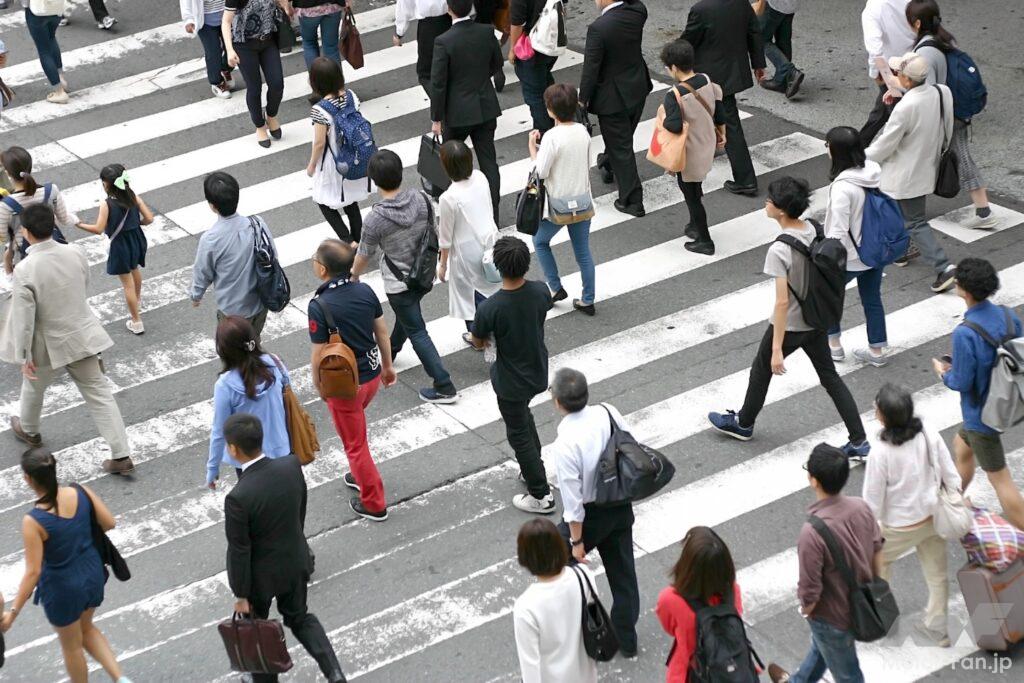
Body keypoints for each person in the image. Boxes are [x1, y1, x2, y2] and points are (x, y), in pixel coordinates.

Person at [708, 178, 870, 459]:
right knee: (830, 377)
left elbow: (782, 302)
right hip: (819, 317)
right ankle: (859, 440)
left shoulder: (780, 249)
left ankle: (744, 423)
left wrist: (776, 350)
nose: (766, 203)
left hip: (794, 323)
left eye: (770, 201)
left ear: (781, 211)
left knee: (761, 369)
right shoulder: (813, 228)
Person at [0, 204, 135, 475]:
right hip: (81, 334)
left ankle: (30, 431)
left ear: (26, 233)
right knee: (99, 394)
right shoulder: (76, 251)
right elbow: (82, 284)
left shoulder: (25, 269)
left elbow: (24, 317)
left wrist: (24, 354)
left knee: (34, 387)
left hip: (46, 341)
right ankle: (121, 454)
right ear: (52, 226)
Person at [222, 414, 347, 683]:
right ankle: (334, 672)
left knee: (257, 630)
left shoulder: (237, 498)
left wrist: (241, 593)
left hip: (260, 579)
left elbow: (239, 551)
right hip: (294, 561)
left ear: (233, 449)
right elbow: (299, 511)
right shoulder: (290, 466)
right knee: (300, 617)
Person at [0, 449, 133, 683]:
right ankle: (121, 679)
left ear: (28, 479)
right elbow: (109, 522)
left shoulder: (34, 521)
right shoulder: (80, 492)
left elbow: (33, 572)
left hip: (63, 589)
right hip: (92, 575)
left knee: (72, 647)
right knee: (87, 628)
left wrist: (12, 613)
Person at [767, 443, 882, 683]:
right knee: (820, 652)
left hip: (831, 616)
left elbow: (810, 589)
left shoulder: (812, 532)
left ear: (814, 481)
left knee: (848, 675)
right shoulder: (861, 507)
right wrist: (874, 586)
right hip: (860, 601)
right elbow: (876, 550)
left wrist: (806, 610)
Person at [351, 150, 458, 404]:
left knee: (418, 330)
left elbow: (364, 254)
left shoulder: (376, 218)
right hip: (423, 275)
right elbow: (432, 230)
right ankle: (393, 350)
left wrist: (353, 275)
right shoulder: (421, 198)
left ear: (374, 180)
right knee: (408, 316)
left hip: (399, 283)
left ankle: (444, 385)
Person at [549, 368, 640, 657]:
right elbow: (629, 445)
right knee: (624, 575)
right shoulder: (607, 411)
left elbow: (573, 503)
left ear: (558, 402)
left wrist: (577, 543)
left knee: (553, 563)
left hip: (590, 517)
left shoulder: (565, 444)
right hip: (619, 504)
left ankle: (576, 627)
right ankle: (627, 640)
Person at [862, 383, 961, 647]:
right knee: (937, 575)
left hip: (897, 527)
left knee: (879, 568)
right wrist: (956, 496)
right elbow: (949, 471)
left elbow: (872, 500)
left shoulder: (881, 452)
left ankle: (886, 622)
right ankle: (937, 629)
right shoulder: (928, 433)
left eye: (876, 407)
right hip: (932, 516)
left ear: (883, 416)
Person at [310, 239, 398, 521]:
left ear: (323, 269)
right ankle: (358, 472)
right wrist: (388, 366)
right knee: (356, 432)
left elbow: (318, 354)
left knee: (356, 445)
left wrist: (318, 385)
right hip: (371, 377)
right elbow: (382, 333)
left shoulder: (320, 305)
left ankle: (374, 503)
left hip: (343, 385)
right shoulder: (364, 290)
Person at [934, 257, 1024, 530]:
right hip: (1007, 399)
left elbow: (961, 381)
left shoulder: (965, 333)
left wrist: (943, 372)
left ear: (964, 290)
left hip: (981, 414)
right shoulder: (1009, 315)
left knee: (1001, 480)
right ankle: (953, 503)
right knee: (961, 447)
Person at [470, 236, 554, 513]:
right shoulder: (541, 291)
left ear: (497, 266)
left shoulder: (490, 308)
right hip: (537, 368)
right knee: (525, 420)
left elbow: (478, 340)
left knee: (518, 432)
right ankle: (533, 468)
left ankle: (540, 494)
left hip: (510, 379)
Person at [865, 52, 957, 293]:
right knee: (899, 212)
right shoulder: (941, 91)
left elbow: (886, 143)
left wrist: (860, 157)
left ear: (905, 79)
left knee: (914, 221)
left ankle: (943, 267)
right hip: (927, 163)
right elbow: (946, 125)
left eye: (898, 73)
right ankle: (902, 251)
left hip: (904, 171)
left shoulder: (906, 107)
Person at [905, 0, 998, 230]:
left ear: (916, 23)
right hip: (955, 112)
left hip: (946, 117)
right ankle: (983, 210)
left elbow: (926, 93)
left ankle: (983, 212)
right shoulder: (941, 39)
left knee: (922, 160)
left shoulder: (925, 51)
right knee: (961, 158)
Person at [430, 0, 503, 223]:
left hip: (458, 112)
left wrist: (436, 117)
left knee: (448, 160)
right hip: (485, 106)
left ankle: (448, 208)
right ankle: (494, 214)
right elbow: (496, 63)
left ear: (449, 9)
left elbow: (438, 84)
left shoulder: (443, 41)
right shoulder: (486, 31)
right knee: (489, 161)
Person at [682, 0, 765, 196]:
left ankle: (746, 180)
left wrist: (673, 59)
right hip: (732, 71)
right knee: (720, 118)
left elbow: (688, 41)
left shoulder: (701, 9)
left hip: (709, 75)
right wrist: (758, 64)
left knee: (728, 125)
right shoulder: (740, 3)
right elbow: (754, 32)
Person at [821, 127, 888, 367]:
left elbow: (838, 232)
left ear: (836, 151)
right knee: (872, 299)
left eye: (827, 145)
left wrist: (826, 261)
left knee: (828, 295)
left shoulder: (842, 188)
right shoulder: (874, 172)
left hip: (851, 255)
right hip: (876, 249)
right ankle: (877, 351)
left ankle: (834, 345)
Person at [580, 0, 653, 217]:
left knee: (621, 148)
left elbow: (591, 69)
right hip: (637, 86)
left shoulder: (599, 28)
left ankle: (632, 200)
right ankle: (606, 162)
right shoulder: (638, 10)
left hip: (612, 97)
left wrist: (582, 100)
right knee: (621, 139)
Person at [528, 84, 596, 315]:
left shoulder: (552, 137)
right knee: (583, 253)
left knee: (540, 242)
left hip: (557, 205)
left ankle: (555, 287)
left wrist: (532, 150)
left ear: (550, 110)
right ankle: (588, 299)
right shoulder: (583, 132)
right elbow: (586, 164)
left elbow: (542, 171)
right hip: (583, 201)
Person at [207, 316, 292, 489]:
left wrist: (213, 468)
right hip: (282, 448)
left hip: (249, 459)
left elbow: (219, 431)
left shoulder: (225, 385)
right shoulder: (274, 363)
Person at [659, 39, 726, 255]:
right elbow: (720, 110)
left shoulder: (674, 95)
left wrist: (663, 118)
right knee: (695, 188)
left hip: (689, 153)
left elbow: (674, 125)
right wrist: (722, 134)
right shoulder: (706, 80)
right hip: (707, 144)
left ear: (675, 68)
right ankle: (693, 225)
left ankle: (704, 240)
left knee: (691, 195)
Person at [513, 518, 598, 683]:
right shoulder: (583, 575)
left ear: (525, 558)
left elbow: (530, 665)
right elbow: (593, 620)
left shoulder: (526, 607)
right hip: (586, 675)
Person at [191, 171, 275, 339]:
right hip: (260, 303)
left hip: (232, 311)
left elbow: (203, 271)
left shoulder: (211, 239)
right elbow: (272, 255)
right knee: (253, 345)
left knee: (233, 354)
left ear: (212, 205)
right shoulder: (258, 223)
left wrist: (196, 295)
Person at [74, 164, 154, 336]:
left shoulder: (107, 204)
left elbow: (98, 229)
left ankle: (136, 321)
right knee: (135, 269)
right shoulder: (133, 196)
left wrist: (78, 224)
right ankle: (137, 301)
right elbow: (149, 218)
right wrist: (136, 224)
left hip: (120, 244)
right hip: (137, 239)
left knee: (127, 284)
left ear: (106, 184)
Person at [656, 527, 743, 682]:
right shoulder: (732, 591)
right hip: (732, 670)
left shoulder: (670, 599)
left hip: (690, 674)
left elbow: (670, 628)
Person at [436, 140, 500, 343]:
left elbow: (445, 238)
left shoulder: (449, 197)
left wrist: (442, 265)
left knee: (471, 295)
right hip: (490, 238)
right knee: (492, 285)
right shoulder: (480, 177)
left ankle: (479, 336)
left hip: (466, 251)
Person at [306, 56, 372, 245]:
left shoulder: (320, 110)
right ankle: (358, 239)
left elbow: (319, 143)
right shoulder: (352, 97)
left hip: (332, 161)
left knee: (323, 200)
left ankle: (348, 240)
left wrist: (311, 166)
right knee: (350, 201)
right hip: (354, 155)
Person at [0, 146, 76, 275]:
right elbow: (64, 219)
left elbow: (4, 237)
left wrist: (8, 255)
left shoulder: (6, 205)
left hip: (28, 258)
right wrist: (77, 220)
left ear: (7, 173)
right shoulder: (51, 190)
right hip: (55, 250)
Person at [223, 0, 289, 147]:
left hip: (268, 40)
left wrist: (284, 5)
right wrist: (229, 50)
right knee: (254, 87)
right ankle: (259, 126)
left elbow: (282, 6)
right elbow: (226, 21)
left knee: (277, 83)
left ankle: (271, 115)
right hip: (243, 45)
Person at [858, 0, 915, 147]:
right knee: (884, 110)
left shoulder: (873, 9)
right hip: (917, 61)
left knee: (896, 115)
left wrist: (877, 74)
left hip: (892, 69)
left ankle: (860, 150)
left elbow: (876, 51)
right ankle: (859, 146)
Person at [507, 0, 557, 132]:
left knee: (534, 95)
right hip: (551, 41)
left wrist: (513, 49)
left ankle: (544, 131)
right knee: (546, 82)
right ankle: (557, 121)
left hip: (531, 47)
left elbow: (517, 24)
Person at [180, 0, 236, 99]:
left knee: (235, 47)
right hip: (206, 23)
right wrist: (188, 20)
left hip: (229, 15)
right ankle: (217, 82)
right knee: (213, 53)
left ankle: (225, 68)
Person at [394, 0, 451, 94]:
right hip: (451, 19)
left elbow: (404, 6)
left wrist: (399, 32)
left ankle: (440, 103)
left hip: (429, 27)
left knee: (427, 73)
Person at [754, 0, 804, 99]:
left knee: (760, 39)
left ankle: (788, 71)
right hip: (792, 4)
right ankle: (783, 80)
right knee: (783, 39)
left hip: (775, 4)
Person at [23, 0, 69, 103]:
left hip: (36, 10)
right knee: (51, 38)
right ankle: (61, 78)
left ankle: (59, 92)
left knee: (44, 50)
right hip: (56, 8)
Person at [293, 0, 343, 68]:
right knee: (331, 47)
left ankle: (316, 77)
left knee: (309, 43)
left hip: (307, 7)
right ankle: (335, 77)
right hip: (332, 5)